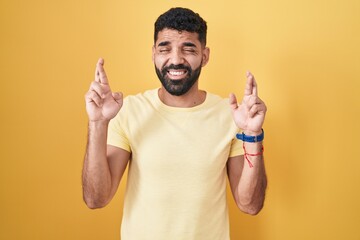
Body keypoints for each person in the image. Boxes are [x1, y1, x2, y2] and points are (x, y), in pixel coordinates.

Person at [82, 7, 267, 240]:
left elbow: (250, 205)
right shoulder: (129, 111)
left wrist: (252, 133)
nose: (176, 59)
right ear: (153, 54)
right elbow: (96, 198)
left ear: (205, 55)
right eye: (165, 48)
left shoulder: (232, 116)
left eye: (188, 48)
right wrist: (98, 123)